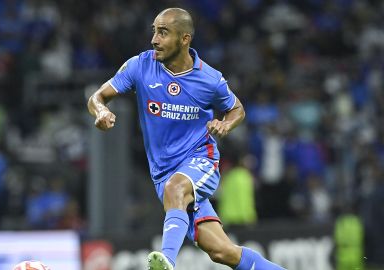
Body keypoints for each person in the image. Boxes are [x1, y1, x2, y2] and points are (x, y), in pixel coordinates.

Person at [88, 7, 285, 270]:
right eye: (154, 32)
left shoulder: (210, 80)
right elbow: (97, 96)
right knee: (222, 252)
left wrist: (226, 124)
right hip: (163, 172)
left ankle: (166, 261)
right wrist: (101, 111)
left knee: (176, 188)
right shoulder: (140, 66)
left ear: (184, 39)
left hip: (200, 160)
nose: (154, 40)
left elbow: (237, 108)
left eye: (163, 32)